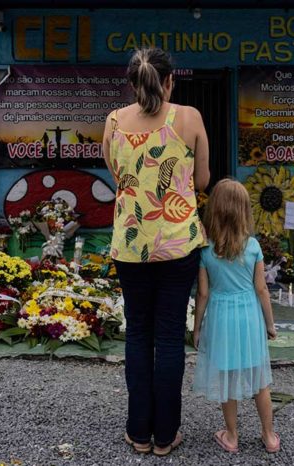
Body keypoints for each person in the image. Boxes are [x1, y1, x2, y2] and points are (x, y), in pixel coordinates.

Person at [101, 47, 210, 456]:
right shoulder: (190, 117)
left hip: (129, 245)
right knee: (169, 338)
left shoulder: (113, 121)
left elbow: (117, 175)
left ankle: (138, 432)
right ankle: (166, 436)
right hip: (178, 244)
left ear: (132, 83)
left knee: (138, 335)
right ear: (170, 81)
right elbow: (201, 181)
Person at [192, 179, 280, 454]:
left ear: (215, 210)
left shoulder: (206, 249)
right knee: (259, 380)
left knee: (228, 378)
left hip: (221, 317)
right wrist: (270, 324)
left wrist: (196, 329)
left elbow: (203, 294)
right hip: (249, 317)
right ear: (244, 210)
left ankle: (231, 436)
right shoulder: (253, 246)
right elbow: (262, 289)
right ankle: (268, 436)